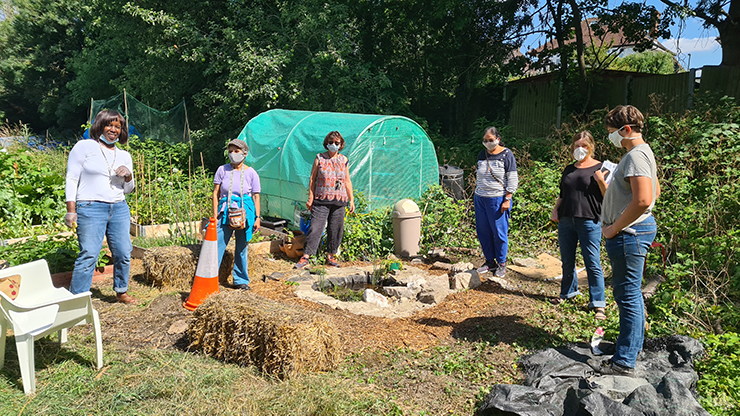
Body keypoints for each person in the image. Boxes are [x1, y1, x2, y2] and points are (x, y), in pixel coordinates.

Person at [588, 105, 660, 377]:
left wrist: (614, 227)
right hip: (632, 231)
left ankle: (624, 362)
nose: (611, 138)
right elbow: (655, 191)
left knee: (627, 296)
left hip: (628, 234)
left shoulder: (635, 156)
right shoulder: (643, 153)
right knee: (630, 294)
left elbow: (644, 199)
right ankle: (631, 347)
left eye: (612, 133)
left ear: (626, 130)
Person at [65, 110, 137, 303]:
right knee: (89, 253)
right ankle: (77, 300)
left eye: (118, 127)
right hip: (90, 207)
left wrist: (128, 176)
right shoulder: (84, 147)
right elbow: (71, 178)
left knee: (123, 251)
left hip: (119, 207)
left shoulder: (124, 155)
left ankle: (121, 291)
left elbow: (129, 189)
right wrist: (71, 210)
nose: (113, 130)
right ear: (100, 125)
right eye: (109, 125)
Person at [550, 131, 607, 320]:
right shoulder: (569, 168)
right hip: (567, 219)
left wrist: (601, 182)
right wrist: (555, 209)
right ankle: (568, 292)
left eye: (584, 145)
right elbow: (562, 193)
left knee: (592, 262)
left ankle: (598, 303)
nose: (580, 149)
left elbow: (609, 197)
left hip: (590, 220)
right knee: (567, 260)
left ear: (591, 146)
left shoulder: (600, 168)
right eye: (576, 146)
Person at [295, 131, 355, 269]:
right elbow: (312, 178)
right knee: (315, 228)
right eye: (331, 142)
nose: (333, 145)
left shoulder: (344, 160)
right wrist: (311, 197)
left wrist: (351, 200)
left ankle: (330, 257)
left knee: (336, 229)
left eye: (336, 143)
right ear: (326, 143)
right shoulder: (320, 158)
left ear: (341, 145)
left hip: (339, 201)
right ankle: (306, 257)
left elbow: (347, 181)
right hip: (321, 199)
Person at [212, 139, 261, 290]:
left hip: (245, 212)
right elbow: (215, 194)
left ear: (244, 154)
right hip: (225, 211)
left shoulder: (251, 173)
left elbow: (256, 196)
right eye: (231, 151)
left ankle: (240, 281)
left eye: (236, 151)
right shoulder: (222, 170)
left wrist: (258, 218)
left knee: (241, 248)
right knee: (217, 245)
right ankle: (210, 278)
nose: (233, 154)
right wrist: (214, 216)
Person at [474, 126, 518, 277]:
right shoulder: (482, 154)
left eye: (490, 140)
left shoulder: (506, 154)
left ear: (498, 139)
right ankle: (489, 261)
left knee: (499, 232)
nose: (487, 143)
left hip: (498, 199)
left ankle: (501, 263)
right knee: (483, 231)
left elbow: (512, 178)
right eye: (485, 141)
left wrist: (507, 199)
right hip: (480, 198)